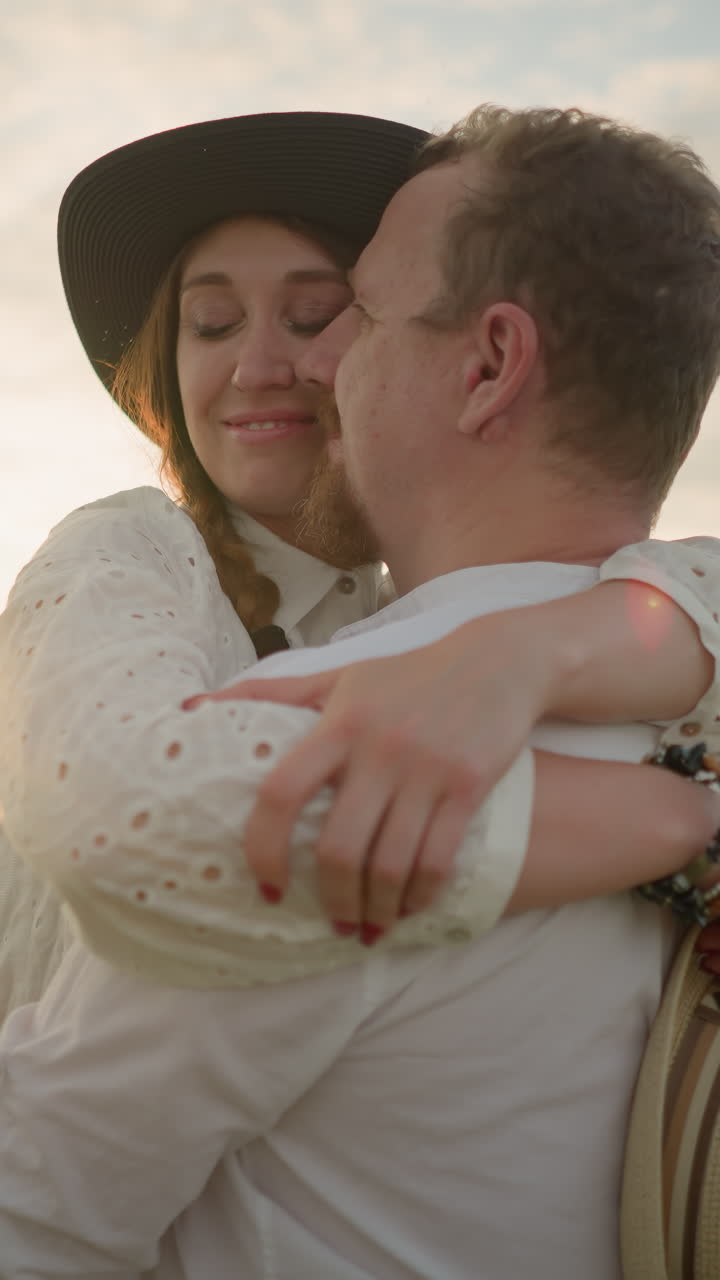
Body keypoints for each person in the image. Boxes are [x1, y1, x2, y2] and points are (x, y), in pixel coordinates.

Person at [1, 104, 720, 1277]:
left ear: (488, 366)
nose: (299, 362)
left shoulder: (384, 686)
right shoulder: (155, 581)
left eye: (342, 312)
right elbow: (121, 799)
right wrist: (680, 817)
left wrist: (538, 659)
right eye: (213, 322)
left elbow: (33, 1203)